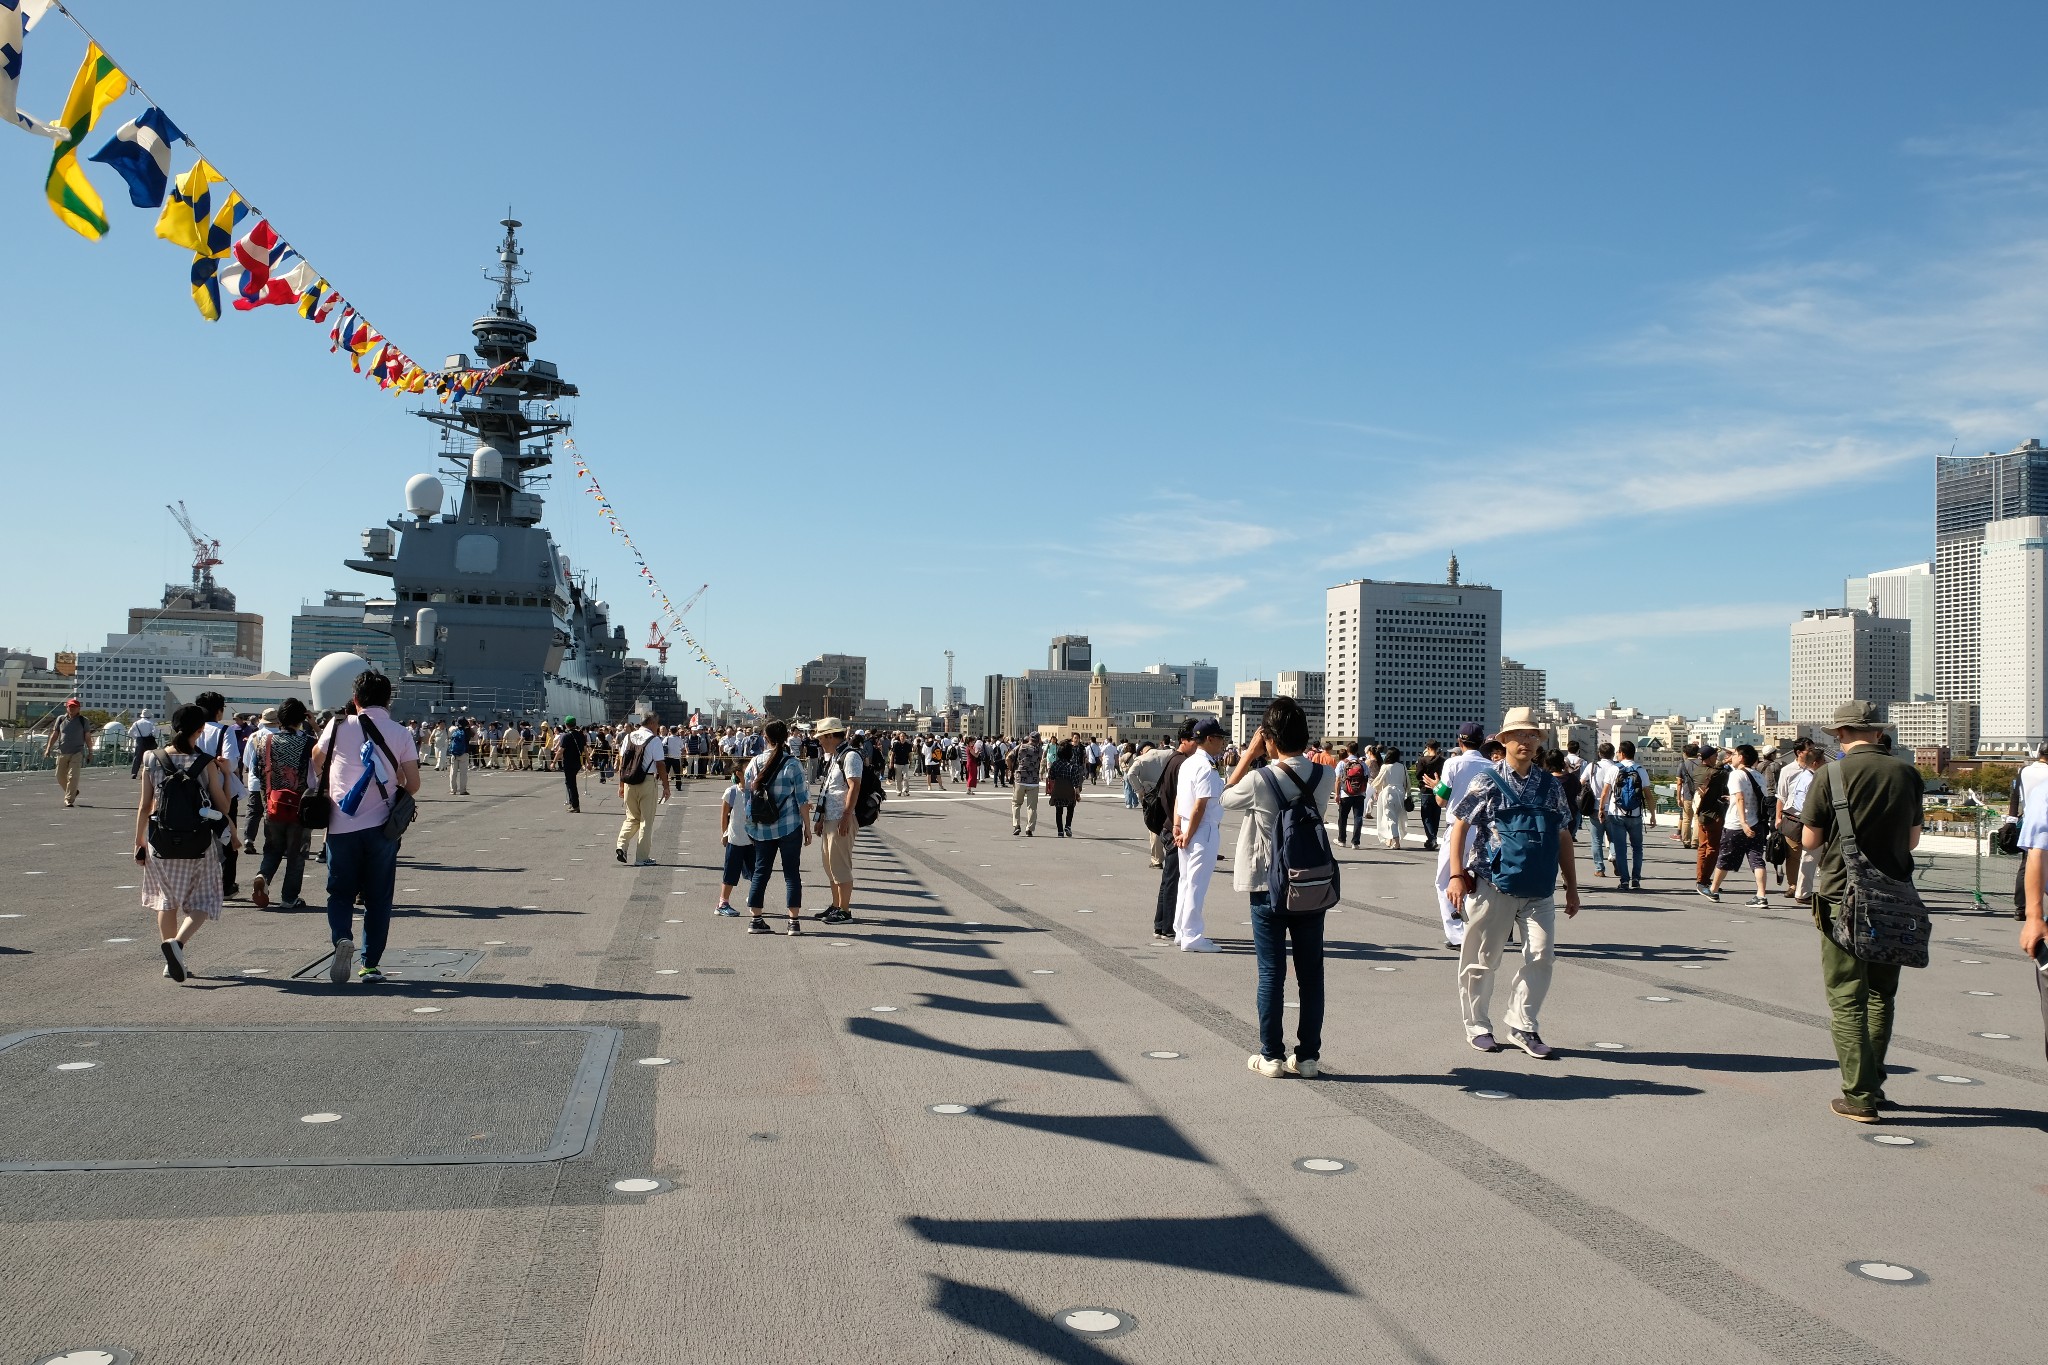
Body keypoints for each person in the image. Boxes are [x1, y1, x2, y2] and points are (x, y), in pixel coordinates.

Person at [1801, 700, 1925, 1123]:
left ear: (1839, 734)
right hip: (1893, 898)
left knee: (1846, 997)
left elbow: (1810, 841)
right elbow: (1912, 842)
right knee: (1880, 993)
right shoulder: (1906, 773)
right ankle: (1875, 1079)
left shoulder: (1829, 774)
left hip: (1841, 895)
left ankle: (1860, 1095)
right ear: (1878, 732)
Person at [1444, 707, 1581, 1059]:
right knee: (1482, 960)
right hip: (1493, 883)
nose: (1526, 740)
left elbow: (1563, 835)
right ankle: (1477, 1025)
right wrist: (1457, 875)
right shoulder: (1486, 780)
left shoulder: (1550, 785)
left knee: (1542, 955)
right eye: (1518, 735)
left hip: (1539, 887)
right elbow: (1460, 825)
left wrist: (1572, 886)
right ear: (1503, 741)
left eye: (1532, 735)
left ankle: (1522, 1024)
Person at [1221, 696, 1333, 1078]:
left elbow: (1224, 797)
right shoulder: (1325, 775)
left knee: (1271, 973)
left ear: (1268, 738)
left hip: (1266, 884)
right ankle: (1308, 1058)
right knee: (1311, 973)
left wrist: (1248, 755)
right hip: (1311, 884)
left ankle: (1270, 1055)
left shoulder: (1260, 778)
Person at [313, 670, 421, 986]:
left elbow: (316, 760)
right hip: (382, 829)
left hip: (340, 826)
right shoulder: (400, 732)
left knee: (339, 892)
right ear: (389, 700)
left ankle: (341, 939)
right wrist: (392, 781)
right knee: (378, 898)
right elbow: (413, 783)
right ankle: (369, 965)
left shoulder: (335, 726)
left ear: (356, 699)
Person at [134, 703, 232, 982]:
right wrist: (226, 775)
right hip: (198, 843)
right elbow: (222, 806)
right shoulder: (206, 762)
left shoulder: (151, 758)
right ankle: (176, 945)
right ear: (200, 731)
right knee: (205, 900)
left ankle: (171, 961)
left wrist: (139, 842)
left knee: (166, 902)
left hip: (160, 842)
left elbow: (144, 806)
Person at [741, 719, 812, 935]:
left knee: (761, 871)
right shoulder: (793, 764)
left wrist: (749, 824)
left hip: (761, 826)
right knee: (792, 873)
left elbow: (747, 798)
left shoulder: (753, 763)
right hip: (789, 825)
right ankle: (794, 922)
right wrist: (807, 828)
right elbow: (802, 800)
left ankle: (756, 919)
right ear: (787, 737)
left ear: (766, 738)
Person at [247, 698, 315, 910]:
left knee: (272, 849)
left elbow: (257, 772)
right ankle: (289, 897)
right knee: (297, 853)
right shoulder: (309, 742)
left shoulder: (264, 742)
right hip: (300, 806)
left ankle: (263, 876)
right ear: (302, 718)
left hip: (273, 804)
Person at [1432, 722, 1492, 951]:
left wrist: (1436, 786)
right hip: (1484, 830)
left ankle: (1457, 934)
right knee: (1478, 882)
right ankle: (1479, 929)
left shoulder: (1453, 763)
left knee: (1446, 880)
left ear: (1460, 742)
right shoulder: (1490, 766)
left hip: (1457, 828)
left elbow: (1442, 799)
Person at [1171, 716, 1229, 952]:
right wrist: (1188, 832)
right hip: (1201, 828)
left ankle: (1181, 930)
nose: (1222, 743)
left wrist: (1178, 827)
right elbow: (1200, 805)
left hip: (1186, 824)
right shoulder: (1206, 767)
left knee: (1186, 882)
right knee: (1197, 883)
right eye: (1220, 738)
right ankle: (1192, 935)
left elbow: (1179, 799)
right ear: (1209, 739)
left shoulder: (1188, 763)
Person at [812, 717, 863, 924]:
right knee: (830, 864)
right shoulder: (836, 755)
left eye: (822, 737)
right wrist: (821, 817)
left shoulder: (849, 756)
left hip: (841, 818)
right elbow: (829, 790)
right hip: (831, 818)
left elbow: (854, 786)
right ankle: (836, 905)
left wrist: (846, 816)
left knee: (840, 865)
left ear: (832, 735)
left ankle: (844, 910)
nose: (820, 742)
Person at [1707, 743, 1770, 907]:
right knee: (1757, 859)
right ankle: (1761, 895)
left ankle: (1713, 890)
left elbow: (1741, 798)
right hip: (1757, 822)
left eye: (1734, 754)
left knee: (1725, 857)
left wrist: (1743, 822)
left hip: (1736, 823)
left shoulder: (1736, 775)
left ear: (1741, 757)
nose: (1732, 757)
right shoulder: (1758, 775)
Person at [614, 714, 670, 865]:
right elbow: (660, 765)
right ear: (652, 723)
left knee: (631, 817)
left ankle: (621, 845)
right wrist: (666, 786)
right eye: (657, 723)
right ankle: (642, 857)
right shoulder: (654, 740)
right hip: (647, 780)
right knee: (646, 821)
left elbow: (622, 762)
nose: (658, 726)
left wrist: (621, 785)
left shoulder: (629, 737)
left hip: (629, 782)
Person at [1600, 740, 1650, 892]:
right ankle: (1636, 878)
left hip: (1616, 814)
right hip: (1635, 814)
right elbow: (1648, 794)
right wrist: (1652, 814)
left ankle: (1624, 881)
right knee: (1637, 848)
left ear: (1621, 753)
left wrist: (1601, 809)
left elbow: (1605, 792)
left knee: (1621, 849)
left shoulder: (1614, 769)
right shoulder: (1641, 770)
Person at [715, 760, 753, 916]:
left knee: (757, 872)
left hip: (753, 840)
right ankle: (723, 903)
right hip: (735, 839)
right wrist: (724, 834)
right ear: (739, 773)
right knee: (731, 872)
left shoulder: (755, 791)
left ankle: (753, 897)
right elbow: (724, 815)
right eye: (748, 770)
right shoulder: (731, 792)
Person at [1692, 745, 1728, 895]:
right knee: (1713, 848)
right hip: (1713, 815)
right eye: (1715, 756)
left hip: (1702, 814)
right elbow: (1721, 773)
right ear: (1708, 757)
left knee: (1703, 847)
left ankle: (1701, 878)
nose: (1717, 758)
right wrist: (1727, 761)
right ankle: (1704, 880)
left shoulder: (1698, 770)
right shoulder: (1715, 772)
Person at [44, 696, 91, 807]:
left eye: (74, 707)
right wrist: (48, 749)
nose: (72, 709)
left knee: (72, 776)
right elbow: (55, 735)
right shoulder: (61, 719)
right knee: (59, 776)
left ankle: (69, 799)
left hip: (77, 752)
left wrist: (90, 752)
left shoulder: (83, 721)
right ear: (67, 708)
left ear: (79, 708)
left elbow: (88, 737)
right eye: (70, 707)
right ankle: (73, 791)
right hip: (62, 752)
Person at [1584, 742, 1618, 878]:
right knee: (1614, 837)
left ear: (1599, 753)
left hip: (1595, 807)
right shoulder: (1616, 768)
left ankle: (1599, 868)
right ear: (1613, 753)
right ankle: (1615, 856)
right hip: (1613, 808)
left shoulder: (1592, 766)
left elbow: (1581, 781)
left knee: (1596, 840)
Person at [1372, 745, 1409, 850]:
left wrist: (1375, 790)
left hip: (1388, 793)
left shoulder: (1385, 767)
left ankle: (1396, 842)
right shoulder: (1402, 766)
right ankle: (1390, 838)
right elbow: (1406, 782)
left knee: (1390, 818)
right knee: (1396, 817)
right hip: (1400, 793)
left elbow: (1378, 781)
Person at [1333, 745, 1369, 849]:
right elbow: (1366, 778)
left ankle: (1342, 840)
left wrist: (1337, 794)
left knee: (1343, 818)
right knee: (1358, 818)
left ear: (1348, 751)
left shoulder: (1342, 763)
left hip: (1346, 794)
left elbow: (1338, 780)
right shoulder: (1362, 764)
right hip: (1360, 794)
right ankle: (1355, 842)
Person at [1048, 739, 1085, 837]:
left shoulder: (1055, 764)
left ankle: (1060, 831)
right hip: (1069, 790)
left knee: (1059, 810)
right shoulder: (1072, 766)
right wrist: (1077, 793)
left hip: (1058, 789)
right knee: (1070, 807)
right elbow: (1076, 782)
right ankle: (1068, 826)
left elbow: (1051, 776)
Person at [1414, 739, 1445, 852]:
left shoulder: (1422, 760)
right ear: (1437, 748)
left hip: (1426, 790)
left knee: (1426, 816)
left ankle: (1431, 838)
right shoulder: (1442, 760)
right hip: (1438, 790)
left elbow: (1418, 775)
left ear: (1427, 748)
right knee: (1436, 816)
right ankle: (1432, 838)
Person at [1010, 734, 1044, 836]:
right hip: (1033, 781)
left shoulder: (1020, 747)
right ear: (1038, 740)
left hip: (1020, 779)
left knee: (1016, 803)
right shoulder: (1040, 750)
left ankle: (1016, 825)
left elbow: (1008, 757)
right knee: (1032, 807)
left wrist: (1012, 769)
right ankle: (1029, 828)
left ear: (1029, 738)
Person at [555, 718, 586, 812]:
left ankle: (575, 805)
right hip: (578, 762)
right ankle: (573, 803)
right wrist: (588, 762)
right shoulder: (581, 735)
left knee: (571, 784)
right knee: (570, 782)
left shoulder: (566, 736)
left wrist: (554, 762)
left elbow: (560, 750)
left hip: (569, 762)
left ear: (566, 724)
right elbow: (585, 749)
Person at [1674, 743, 1700, 847]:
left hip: (1687, 794)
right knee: (1697, 818)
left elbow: (1679, 782)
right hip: (1699, 795)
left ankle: (1686, 840)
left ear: (1685, 753)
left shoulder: (1683, 764)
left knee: (1686, 819)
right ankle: (1695, 841)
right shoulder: (1702, 763)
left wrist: (1678, 797)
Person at [445, 716, 472, 795]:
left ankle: (453, 790)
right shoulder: (467, 732)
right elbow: (472, 735)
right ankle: (462, 790)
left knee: (453, 773)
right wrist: (468, 726)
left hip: (454, 754)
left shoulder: (454, 730)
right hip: (464, 753)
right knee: (463, 773)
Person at [129, 708, 157, 779]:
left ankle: (134, 773)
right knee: (149, 757)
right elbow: (155, 732)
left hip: (140, 740)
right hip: (149, 741)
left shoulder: (136, 723)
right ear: (149, 716)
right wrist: (152, 736)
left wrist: (136, 738)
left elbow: (130, 732)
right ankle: (146, 773)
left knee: (137, 757)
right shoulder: (151, 722)